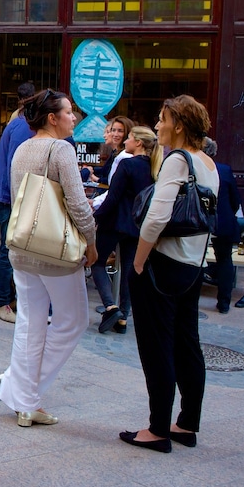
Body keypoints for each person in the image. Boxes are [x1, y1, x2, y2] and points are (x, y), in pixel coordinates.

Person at [121, 94, 218, 453]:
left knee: (156, 347)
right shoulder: (207, 162)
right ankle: (186, 423)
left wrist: (138, 261)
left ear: (178, 125)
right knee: (187, 344)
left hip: (161, 265)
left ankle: (157, 429)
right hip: (192, 266)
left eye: (162, 119)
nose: (157, 125)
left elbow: (156, 217)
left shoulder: (177, 159)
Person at [0, 89, 97, 428]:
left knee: (29, 322)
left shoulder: (23, 147)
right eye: (69, 112)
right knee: (73, 320)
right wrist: (92, 241)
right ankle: (24, 392)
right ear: (52, 118)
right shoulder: (61, 149)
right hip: (55, 250)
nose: (74, 118)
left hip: (22, 246)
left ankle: (23, 397)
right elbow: (79, 204)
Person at [91, 126, 159, 333]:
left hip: (115, 221)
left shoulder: (127, 164)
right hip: (137, 225)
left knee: (96, 261)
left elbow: (113, 197)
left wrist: (96, 217)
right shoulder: (155, 168)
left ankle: (110, 306)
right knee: (129, 269)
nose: (125, 141)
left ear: (138, 142)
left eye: (129, 137)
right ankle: (124, 317)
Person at [0, 81, 35, 324]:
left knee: (10, 249)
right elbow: (18, 167)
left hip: (6, 194)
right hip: (9, 196)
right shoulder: (24, 127)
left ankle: (8, 298)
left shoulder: (18, 123)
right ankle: (1, 301)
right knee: (9, 250)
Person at [202, 137, 241, 314]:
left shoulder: (194, 168)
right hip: (223, 220)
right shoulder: (225, 170)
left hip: (200, 221)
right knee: (225, 259)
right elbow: (235, 200)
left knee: (197, 259)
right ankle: (224, 303)